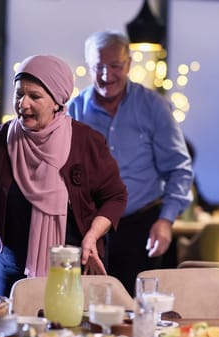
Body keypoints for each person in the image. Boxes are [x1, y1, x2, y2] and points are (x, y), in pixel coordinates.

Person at [0, 54, 128, 297]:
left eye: (34, 96)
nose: (23, 104)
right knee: (14, 333)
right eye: (19, 94)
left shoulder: (87, 141)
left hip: (72, 269)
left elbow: (115, 196)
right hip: (13, 270)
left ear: (57, 100)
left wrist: (92, 236)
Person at [68, 30, 194, 295]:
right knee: (89, 309)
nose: (106, 75)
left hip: (142, 226)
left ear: (129, 64)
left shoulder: (153, 106)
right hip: (90, 229)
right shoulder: (75, 110)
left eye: (115, 66)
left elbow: (179, 168)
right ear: (89, 66)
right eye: (98, 67)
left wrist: (166, 220)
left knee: (138, 312)